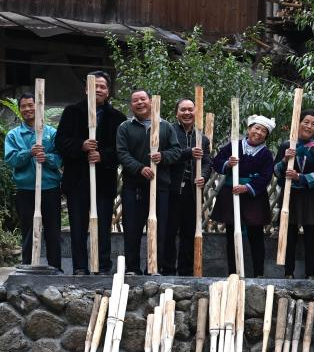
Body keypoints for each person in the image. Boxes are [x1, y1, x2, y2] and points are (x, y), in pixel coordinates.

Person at [55, 71, 126, 275]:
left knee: (103, 227)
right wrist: (81, 146)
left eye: (102, 86)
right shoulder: (72, 112)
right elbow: (60, 142)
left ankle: (102, 267)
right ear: (86, 89)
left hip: (103, 182)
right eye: (94, 86)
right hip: (77, 180)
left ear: (108, 91)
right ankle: (80, 267)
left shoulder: (117, 118)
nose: (98, 90)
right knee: (78, 227)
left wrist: (102, 156)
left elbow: (121, 150)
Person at [115, 89, 183, 275]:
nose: (139, 103)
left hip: (160, 186)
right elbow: (122, 153)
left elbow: (176, 151)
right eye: (135, 100)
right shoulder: (125, 127)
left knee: (159, 229)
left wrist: (162, 156)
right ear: (131, 105)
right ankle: (132, 268)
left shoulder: (165, 126)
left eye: (143, 99)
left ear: (151, 102)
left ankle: (154, 267)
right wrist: (139, 168)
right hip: (133, 186)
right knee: (132, 229)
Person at [210, 115, 276, 277]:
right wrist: (228, 164)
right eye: (256, 128)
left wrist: (247, 187)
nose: (258, 133)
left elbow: (266, 176)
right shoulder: (234, 146)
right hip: (231, 194)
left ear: (266, 136)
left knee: (256, 236)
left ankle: (258, 274)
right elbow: (216, 162)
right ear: (249, 129)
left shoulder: (266, 154)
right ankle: (233, 273)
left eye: (263, 131)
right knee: (231, 235)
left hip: (254, 198)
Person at [4, 93, 62, 270]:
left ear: (39, 107)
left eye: (31, 105)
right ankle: (28, 267)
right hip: (26, 190)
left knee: (53, 231)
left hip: (50, 188)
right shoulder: (14, 135)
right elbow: (11, 160)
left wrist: (47, 158)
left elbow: (60, 159)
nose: (28, 109)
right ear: (20, 109)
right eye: (23, 106)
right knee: (28, 230)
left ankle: (55, 268)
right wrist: (29, 152)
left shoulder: (52, 133)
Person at [274, 110, 314, 279]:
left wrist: (299, 177)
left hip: (311, 198)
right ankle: (288, 273)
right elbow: (275, 171)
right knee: (289, 234)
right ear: (298, 123)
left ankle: (311, 274)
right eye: (306, 122)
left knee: (311, 235)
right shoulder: (286, 146)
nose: (309, 126)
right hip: (290, 196)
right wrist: (284, 160)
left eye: (313, 124)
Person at [164, 97, 211, 276]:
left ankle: (186, 271)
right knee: (168, 231)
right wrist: (188, 153)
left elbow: (207, 162)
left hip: (192, 192)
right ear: (176, 113)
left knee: (189, 232)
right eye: (183, 109)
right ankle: (167, 269)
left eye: (190, 109)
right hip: (171, 189)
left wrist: (203, 176)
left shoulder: (202, 139)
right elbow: (165, 156)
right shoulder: (168, 132)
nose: (187, 113)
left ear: (196, 113)